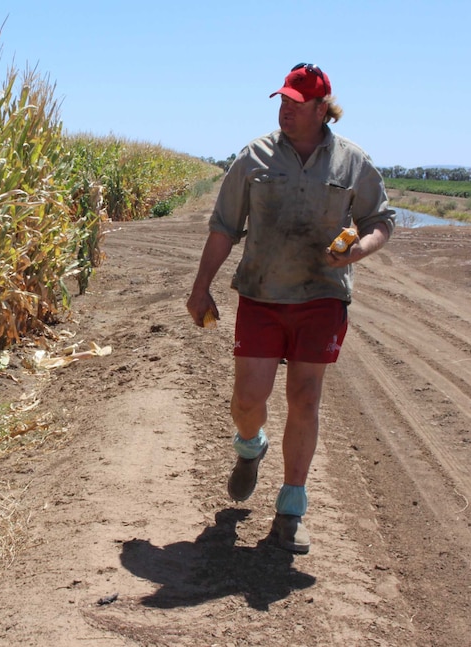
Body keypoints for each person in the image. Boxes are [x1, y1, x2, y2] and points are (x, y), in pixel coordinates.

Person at [185, 63, 395, 554]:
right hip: (261, 294)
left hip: (322, 296)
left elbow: (380, 220)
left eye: (296, 105)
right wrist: (201, 288)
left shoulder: (352, 163)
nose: (285, 111)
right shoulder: (253, 158)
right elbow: (223, 227)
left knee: (305, 398)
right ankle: (249, 446)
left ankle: (291, 509)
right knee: (248, 400)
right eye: (281, 101)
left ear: (323, 109)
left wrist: (358, 250)